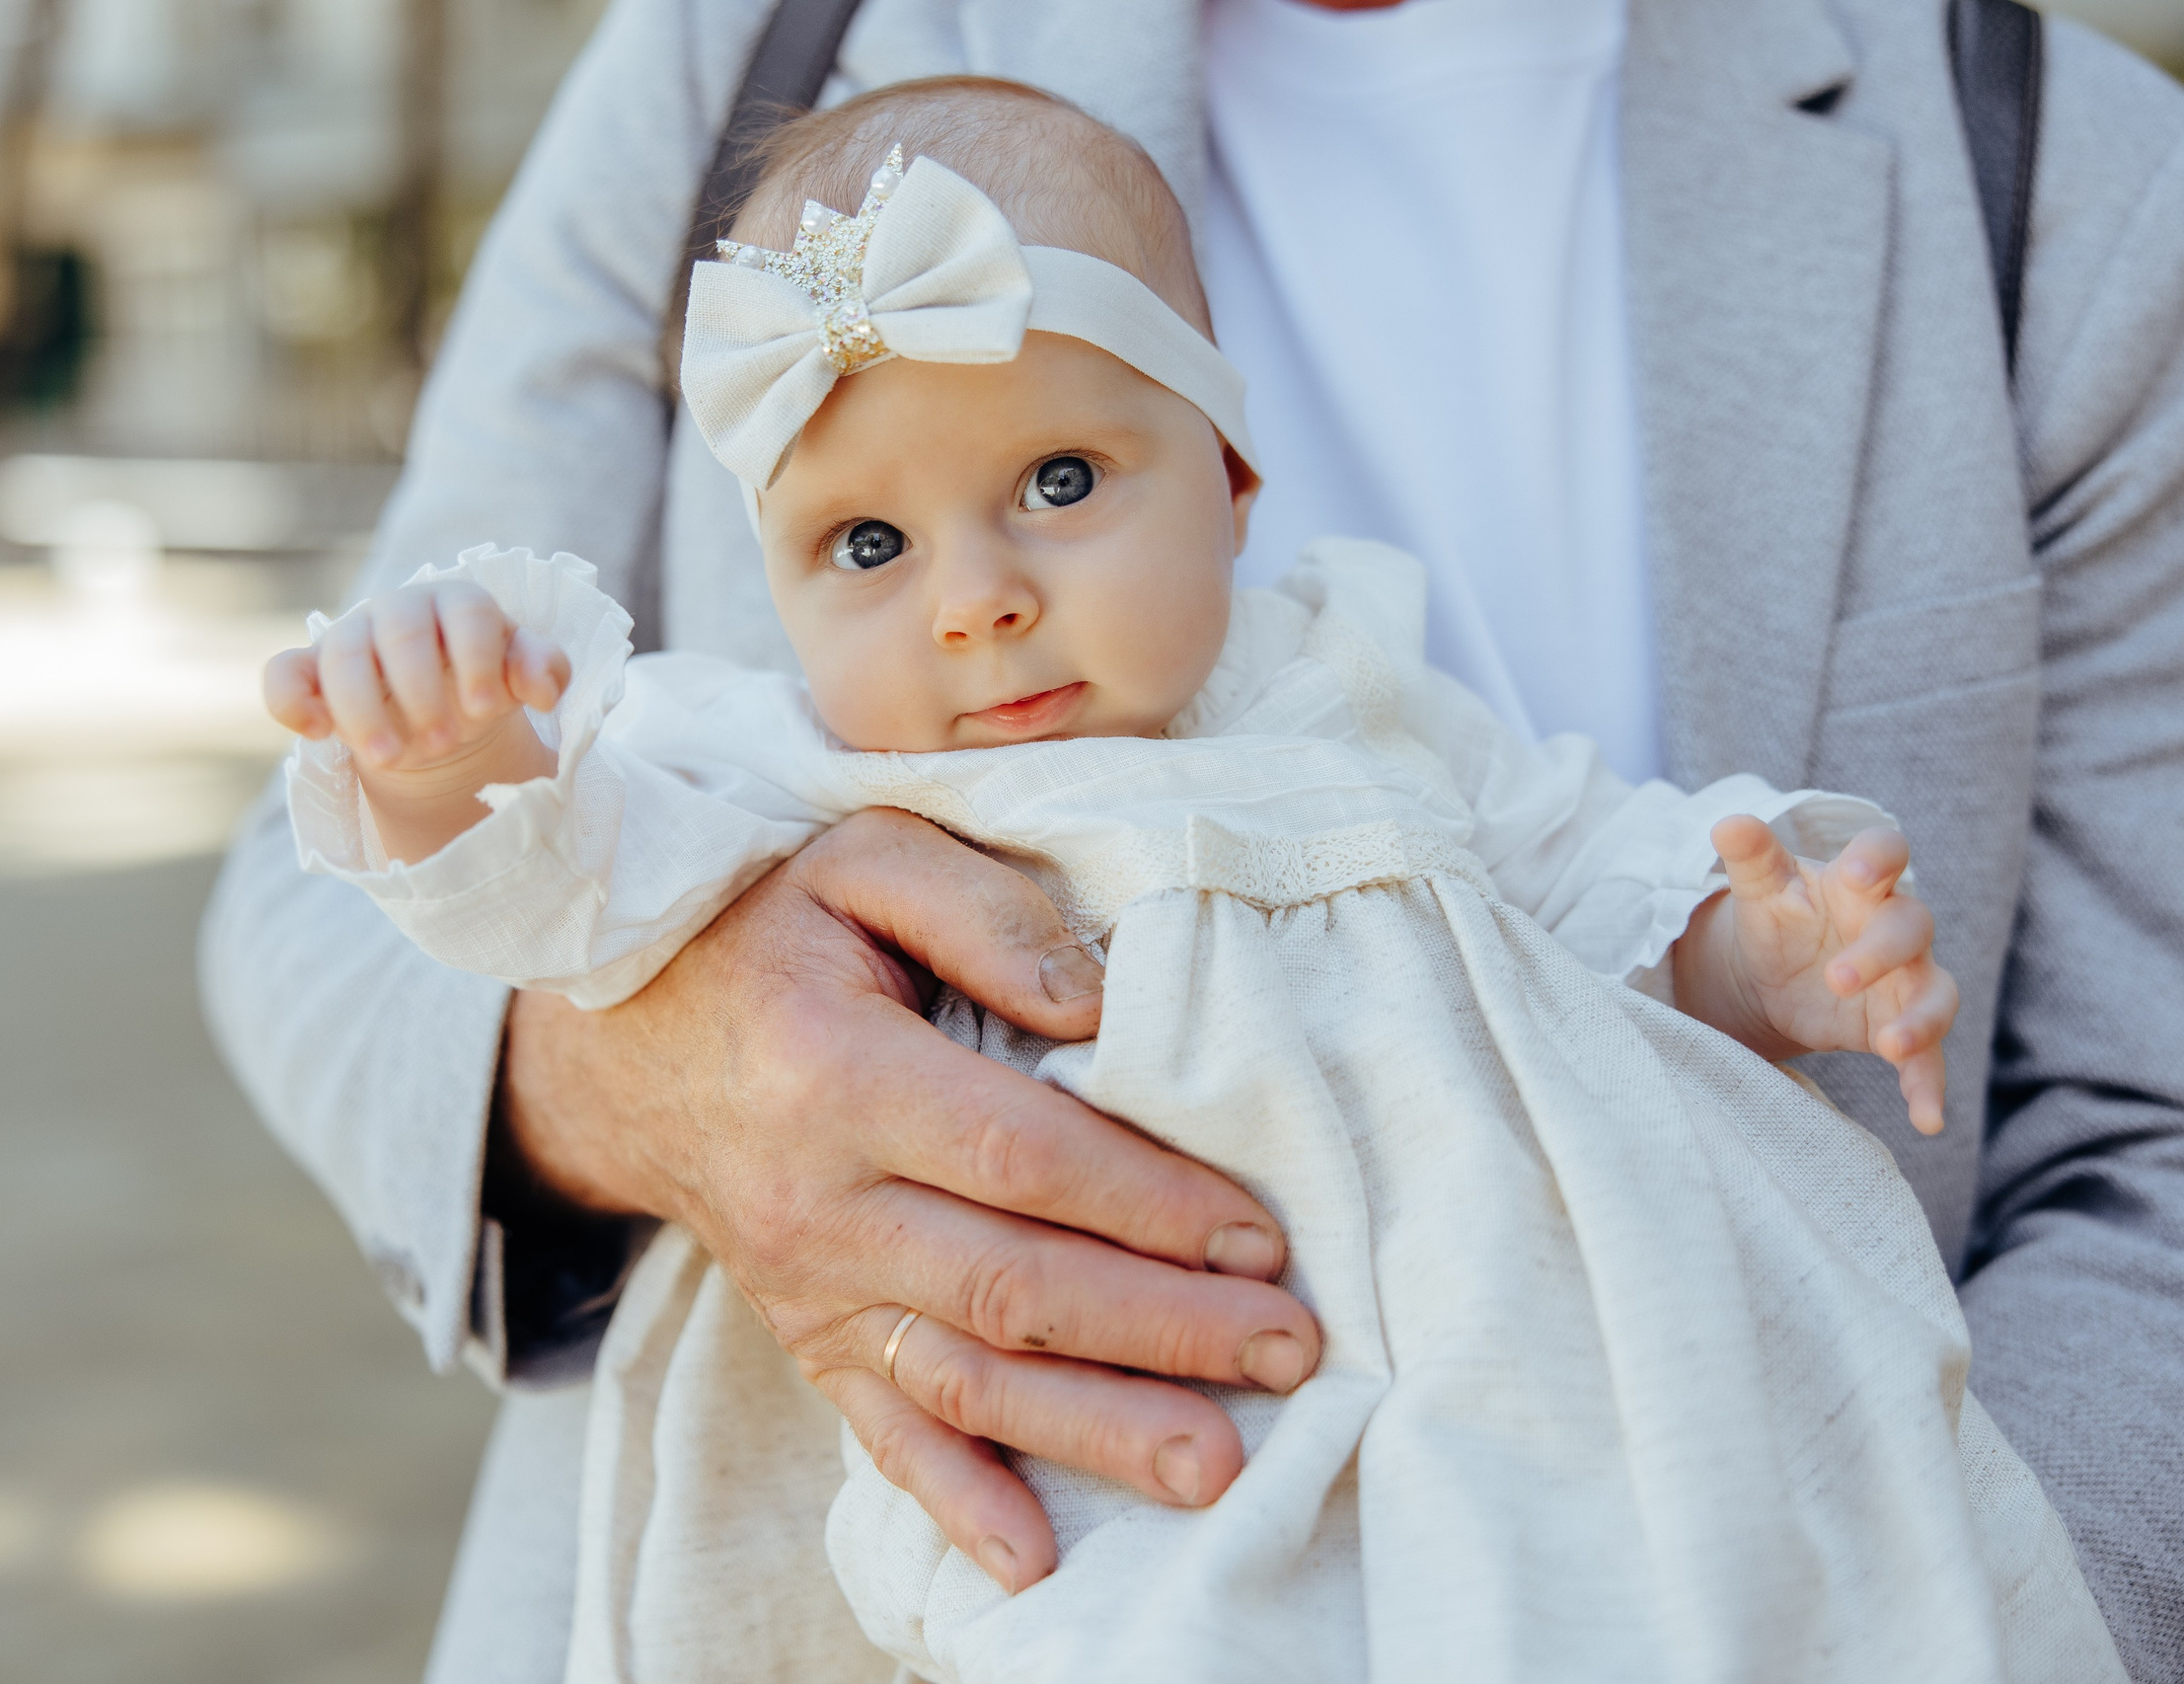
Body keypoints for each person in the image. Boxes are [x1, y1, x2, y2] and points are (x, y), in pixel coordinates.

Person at [198, 1, 2184, 1677]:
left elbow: (1612, 869)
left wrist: (1773, 954)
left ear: (1231, 486)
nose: (971, 600)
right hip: (948, 1552)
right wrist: (575, 950)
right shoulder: (763, 62)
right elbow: (410, 888)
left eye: (1060, 480)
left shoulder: (2039, 170)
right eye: (867, 544)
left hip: (1651, 1566)